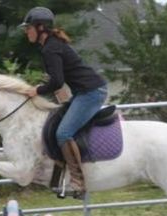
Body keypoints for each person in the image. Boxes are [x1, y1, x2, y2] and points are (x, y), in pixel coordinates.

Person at [19, 7, 108, 199]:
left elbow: (57, 82)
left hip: (91, 92)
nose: (27, 32)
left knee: (64, 133)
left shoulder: (51, 48)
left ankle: (78, 182)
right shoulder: (49, 46)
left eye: (29, 28)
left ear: (40, 27)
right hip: (83, 92)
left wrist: (37, 90)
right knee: (56, 124)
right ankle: (59, 178)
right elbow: (57, 82)